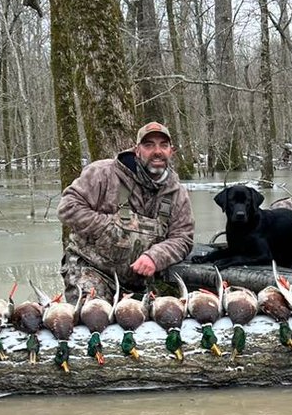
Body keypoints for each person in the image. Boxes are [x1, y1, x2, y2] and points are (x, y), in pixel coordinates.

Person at [57, 121, 194, 302]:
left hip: (142, 281)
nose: (157, 151)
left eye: (163, 145)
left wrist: (155, 257)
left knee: (166, 317)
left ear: (171, 151)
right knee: (93, 315)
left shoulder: (177, 193)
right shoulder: (103, 173)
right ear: (137, 150)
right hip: (92, 270)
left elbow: (183, 238)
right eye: (149, 145)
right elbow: (68, 208)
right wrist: (108, 227)